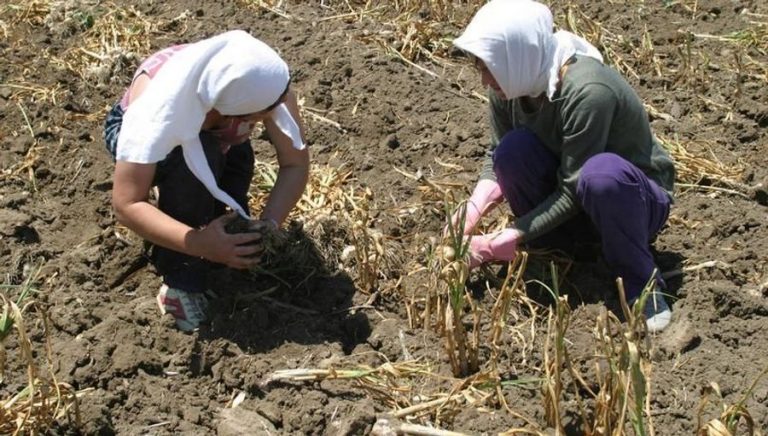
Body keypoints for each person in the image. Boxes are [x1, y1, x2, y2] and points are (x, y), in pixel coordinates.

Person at [451, 0, 675, 332]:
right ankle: (557, 247)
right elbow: (497, 151)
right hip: (573, 198)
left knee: (602, 176)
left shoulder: (587, 91)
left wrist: (511, 233)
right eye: (480, 67)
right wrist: (474, 206)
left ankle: (640, 281)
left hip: (631, 202)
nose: (484, 80)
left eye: (489, 67)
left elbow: (575, 187)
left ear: (517, 55)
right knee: (512, 152)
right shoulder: (511, 83)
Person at [104, 30, 309, 331]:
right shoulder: (155, 113)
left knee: (236, 161)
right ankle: (180, 284)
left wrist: (270, 224)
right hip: (149, 137)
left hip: (214, 128)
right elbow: (127, 203)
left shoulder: (263, 84)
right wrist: (198, 242)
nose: (276, 111)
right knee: (191, 175)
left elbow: (295, 163)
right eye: (263, 115)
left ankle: (225, 241)